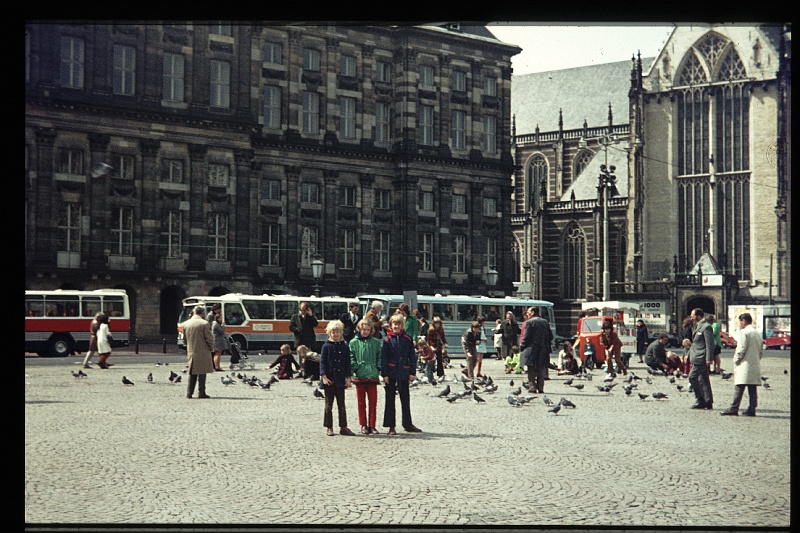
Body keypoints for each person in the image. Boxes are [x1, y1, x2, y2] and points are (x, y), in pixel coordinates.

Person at [381, 313, 422, 434]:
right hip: (391, 371)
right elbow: (384, 358)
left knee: (405, 399)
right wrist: (385, 374)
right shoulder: (387, 340)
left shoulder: (408, 339)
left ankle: (407, 424)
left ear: (402, 325)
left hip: (404, 371)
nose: (396, 326)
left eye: (398, 324)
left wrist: (412, 372)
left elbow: (412, 357)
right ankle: (391, 426)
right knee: (390, 401)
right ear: (391, 325)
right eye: (394, 324)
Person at [720, 313, 764, 416]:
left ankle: (734, 408)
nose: (740, 324)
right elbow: (761, 351)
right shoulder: (757, 333)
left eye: (740, 321)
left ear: (743, 321)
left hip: (744, 364)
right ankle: (752, 409)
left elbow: (741, 348)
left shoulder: (744, 333)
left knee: (739, 386)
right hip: (755, 363)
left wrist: (736, 360)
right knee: (752, 388)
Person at [319, 320, 355, 436]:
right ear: (329, 333)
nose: (336, 334)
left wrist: (348, 378)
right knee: (328, 405)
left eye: (338, 332)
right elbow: (322, 362)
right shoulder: (326, 346)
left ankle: (343, 426)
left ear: (341, 333)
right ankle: (329, 426)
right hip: (329, 379)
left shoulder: (344, 347)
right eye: (333, 332)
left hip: (340, 379)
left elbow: (347, 363)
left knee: (342, 405)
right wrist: (323, 376)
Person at [350, 319, 383, 435]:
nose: (365, 332)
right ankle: (363, 424)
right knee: (361, 403)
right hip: (360, 375)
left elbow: (380, 356)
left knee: (373, 402)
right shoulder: (353, 342)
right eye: (364, 329)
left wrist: (378, 368)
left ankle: (372, 425)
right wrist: (356, 368)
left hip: (372, 375)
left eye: (368, 330)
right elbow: (351, 356)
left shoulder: (375, 342)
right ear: (359, 329)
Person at [182, 305, 214, 399]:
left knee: (192, 372)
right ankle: (201, 392)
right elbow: (209, 338)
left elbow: (184, 339)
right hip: (203, 350)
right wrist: (210, 347)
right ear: (202, 313)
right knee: (202, 372)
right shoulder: (204, 323)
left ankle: (189, 393)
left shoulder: (186, 324)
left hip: (191, 351)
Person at [520, 307, 554, 393]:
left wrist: (522, 346)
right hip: (543, 349)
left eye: (528, 312)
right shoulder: (545, 322)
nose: (527, 314)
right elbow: (551, 336)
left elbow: (526, 336)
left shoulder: (529, 322)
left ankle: (532, 387)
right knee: (541, 368)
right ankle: (540, 387)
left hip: (532, 349)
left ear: (532, 312)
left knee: (531, 368)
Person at [687, 308, 715, 410]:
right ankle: (708, 401)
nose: (691, 317)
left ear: (698, 316)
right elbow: (694, 343)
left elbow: (710, 344)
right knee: (704, 380)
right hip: (696, 357)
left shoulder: (706, 327)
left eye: (692, 315)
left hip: (701, 357)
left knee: (692, 377)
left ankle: (700, 399)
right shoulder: (697, 326)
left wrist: (709, 358)